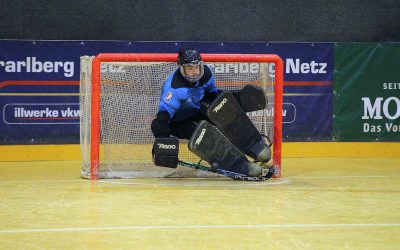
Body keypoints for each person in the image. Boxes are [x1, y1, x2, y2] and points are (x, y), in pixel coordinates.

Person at [151, 47, 271, 177]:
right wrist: (163, 143)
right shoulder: (174, 88)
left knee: (222, 107)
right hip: (178, 122)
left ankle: (254, 146)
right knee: (203, 135)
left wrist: (233, 102)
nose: (195, 72)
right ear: (181, 68)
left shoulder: (206, 73)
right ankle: (239, 166)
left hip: (197, 108)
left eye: (197, 67)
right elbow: (161, 120)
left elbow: (211, 94)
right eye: (190, 69)